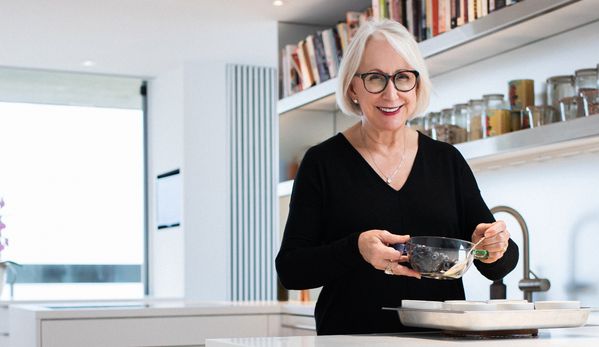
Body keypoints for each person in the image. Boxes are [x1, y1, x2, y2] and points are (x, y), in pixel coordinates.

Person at [275, 19, 519, 335]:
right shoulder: (322, 162)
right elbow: (292, 270)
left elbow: (498, 262)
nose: (391, 94)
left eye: (402, 77)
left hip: (439, 342)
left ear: (416, 84)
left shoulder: (446, 160)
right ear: (352, 86)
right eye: (375, 78)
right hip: (351, 342)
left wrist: (494, 245)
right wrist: (356, 249)